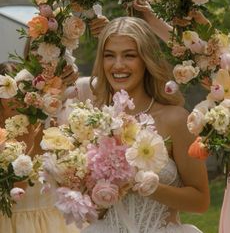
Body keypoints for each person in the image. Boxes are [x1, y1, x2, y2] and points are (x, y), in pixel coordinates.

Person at [69, 17, 209, 233]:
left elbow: (200, 202)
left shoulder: (176, 119)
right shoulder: (93, 120)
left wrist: (145, 186)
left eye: (129, 55)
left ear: (146, 59)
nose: (118, 65)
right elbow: (97, 211)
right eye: (109, 56)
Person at [0, 61, 80, 233]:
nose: (18, 98)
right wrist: (28, 145)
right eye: (8, 92)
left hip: (54, 224)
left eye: (22, 91)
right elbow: (11, 196)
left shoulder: (49, 130)